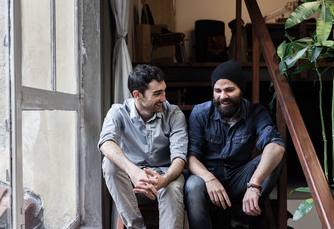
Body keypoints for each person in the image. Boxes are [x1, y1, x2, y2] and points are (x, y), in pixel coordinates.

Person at [184, 60, 285, 229]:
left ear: (241, 90)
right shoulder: (200, 113)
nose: (223, 96)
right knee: (193, 184)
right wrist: (209, 178)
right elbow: (191, 157)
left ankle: (240, 221)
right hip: (207, 179)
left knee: (274, 160)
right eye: (218, 91)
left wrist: (254, 185)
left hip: (240, 178)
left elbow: (276, 146)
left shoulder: (256, 112)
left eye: (229, 90)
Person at [98, 64, 188, 229]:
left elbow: (179, 157)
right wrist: (134, 172)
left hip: (166, 176)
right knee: (109, 164)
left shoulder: (174, 114)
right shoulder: (118, 111)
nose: (164, 98)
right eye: (157, 93)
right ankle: (136, 227)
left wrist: (165, 179)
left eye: (164, 91)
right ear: (137, 95)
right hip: (133, 183)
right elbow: (105, 143)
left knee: (172, 189)